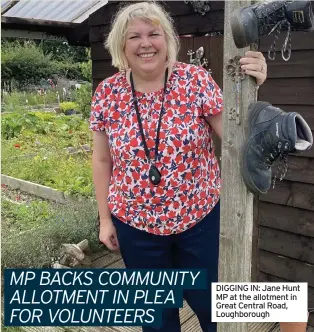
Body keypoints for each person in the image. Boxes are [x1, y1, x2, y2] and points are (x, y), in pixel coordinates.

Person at [90, 2, 267, 331]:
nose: (145, 43)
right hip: (135, 223)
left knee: (212, 308)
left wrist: (252, 87)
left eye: (154, 33)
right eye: (134, 36)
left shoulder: (195, 80)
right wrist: (104, 220)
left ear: (167, 40)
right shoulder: (107, 93)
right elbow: (102, 160)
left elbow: (236, 136)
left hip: (198, 220)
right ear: (121, 45)